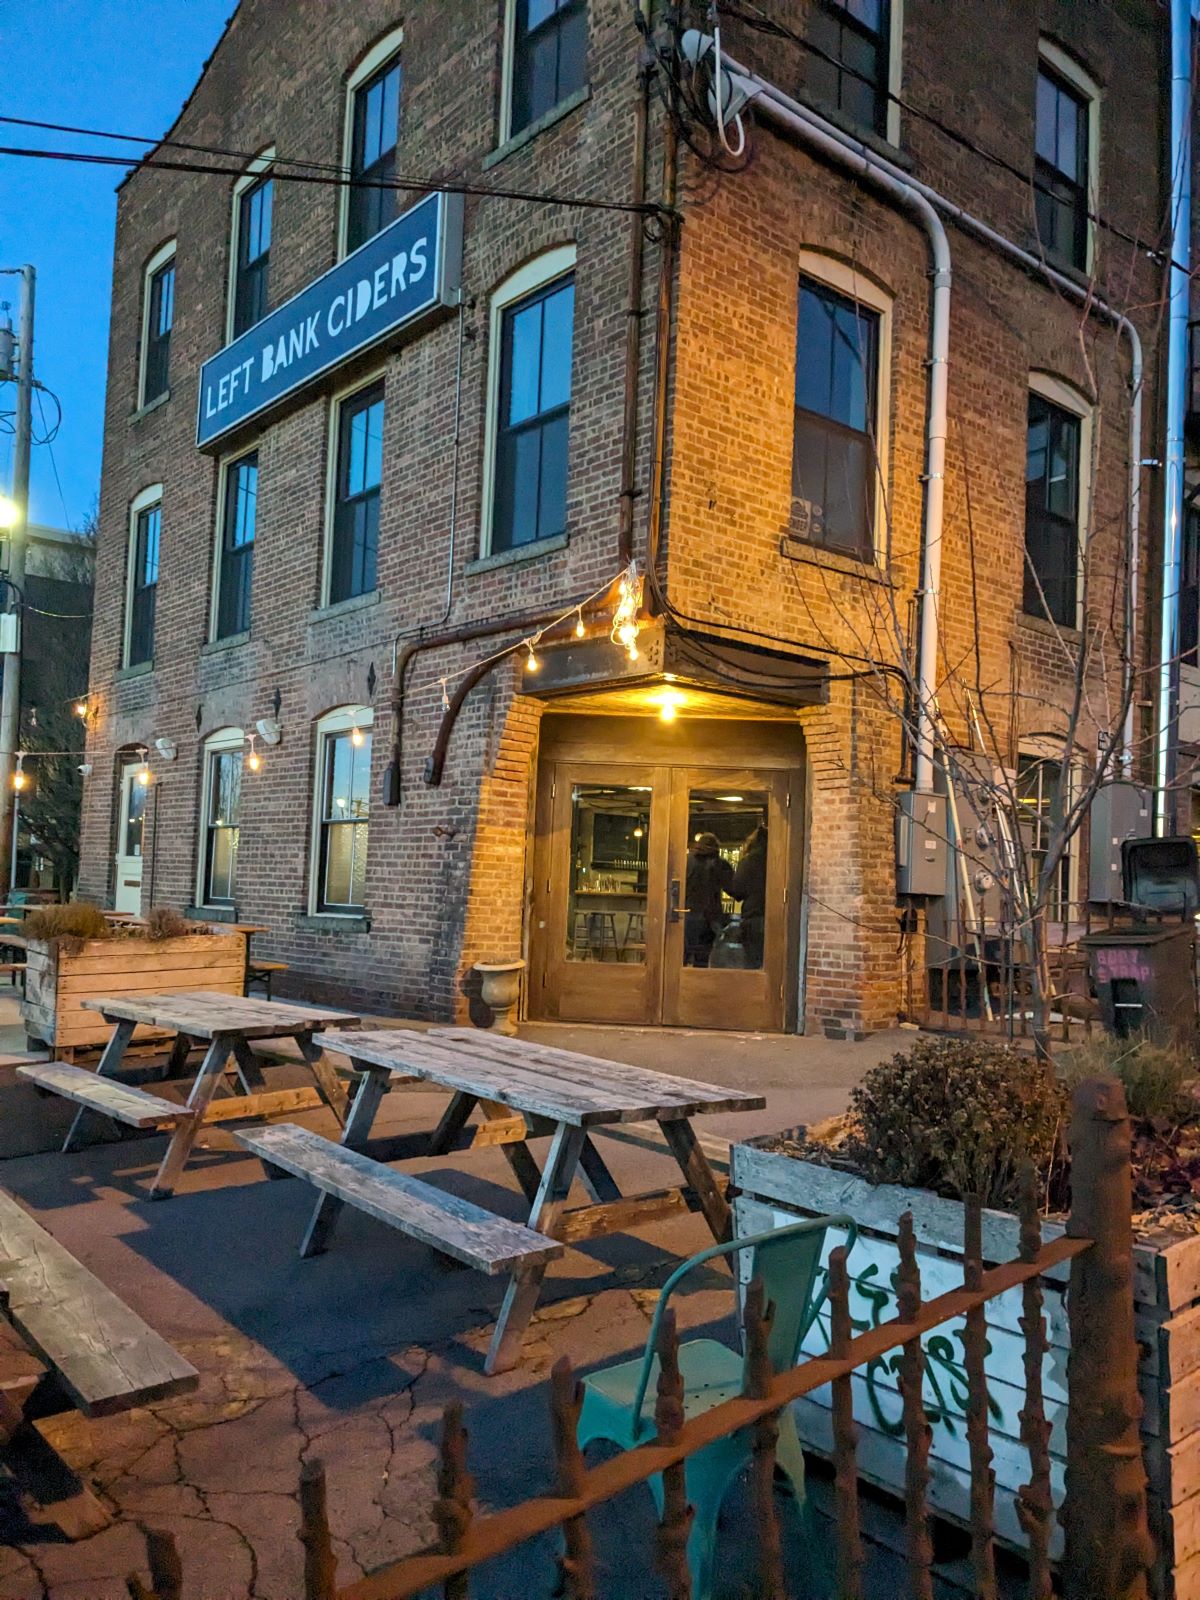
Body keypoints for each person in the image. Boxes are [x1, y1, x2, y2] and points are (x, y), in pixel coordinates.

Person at [683, 832, 734, 967]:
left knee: (680, 959)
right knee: (702, 960)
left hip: (685, 914)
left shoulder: (685, 861)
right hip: (709, 918)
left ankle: (677, 986)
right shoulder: (720, 864)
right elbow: (734, 890)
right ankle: (698, 986)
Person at [732, 824, 768, 968]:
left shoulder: (748, 861)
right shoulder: (780, 860)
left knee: (752, 963)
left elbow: (737, 891)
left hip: (753, 917)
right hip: (777, 918)